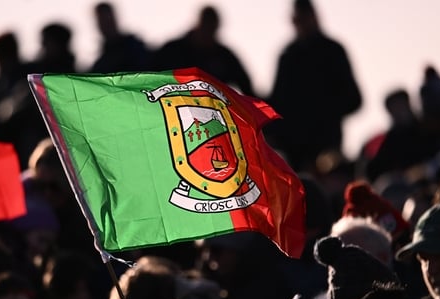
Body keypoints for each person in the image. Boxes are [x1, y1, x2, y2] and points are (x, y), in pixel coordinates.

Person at [265, 0, 362, 172]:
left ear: (314, 17)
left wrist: (324, 111)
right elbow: (277, 102)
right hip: (295, 151)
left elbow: (354, 99)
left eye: (304, 18)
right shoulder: (288, 56)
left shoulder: (333, 51)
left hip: (327, 148)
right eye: (298, 20)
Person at [151, 5, 255, 96]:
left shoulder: (225, 57)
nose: (208, 33)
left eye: (211, 28)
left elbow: (247, 89)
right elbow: (150, 76)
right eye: (206, 27)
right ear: (199, 24)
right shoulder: (172, 51)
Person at [89, 2, 151, 73]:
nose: (105, 24)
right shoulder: (101, 63)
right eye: (101, 20)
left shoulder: (134, 48)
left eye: (108, 20)